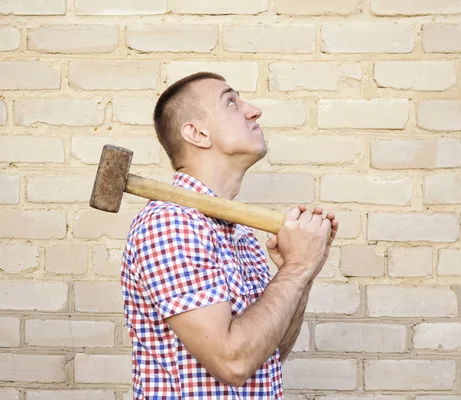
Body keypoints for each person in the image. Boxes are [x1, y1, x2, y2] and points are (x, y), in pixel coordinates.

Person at [120, 71, 338, 399]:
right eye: (232, 102)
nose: (253, 110)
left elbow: (269, 352)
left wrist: (302, 270)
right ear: (197, 133)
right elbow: (232, 363)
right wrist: (295, 271)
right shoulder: (172, 223)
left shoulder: (240, 233)